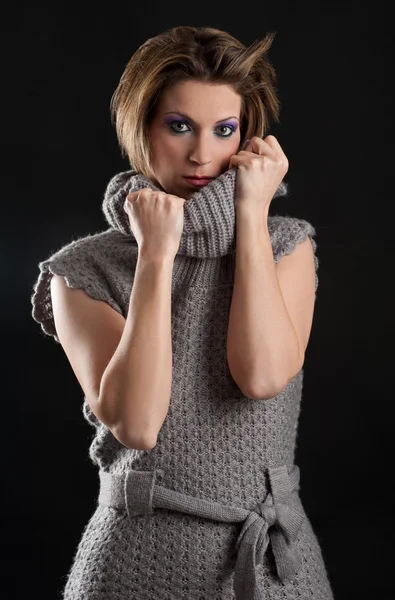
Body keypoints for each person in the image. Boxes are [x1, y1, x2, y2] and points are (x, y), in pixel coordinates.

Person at [31, 25, 334, 600]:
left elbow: (263, 376)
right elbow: (138, 424)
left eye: (224, 130)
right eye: (179, 126)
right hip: (130, 564)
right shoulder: (84, 269)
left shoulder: (285, 244)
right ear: (140, 129)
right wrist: (155, 253)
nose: (202, 153)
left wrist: (251, 214)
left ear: (247, 139)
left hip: (270, 564)